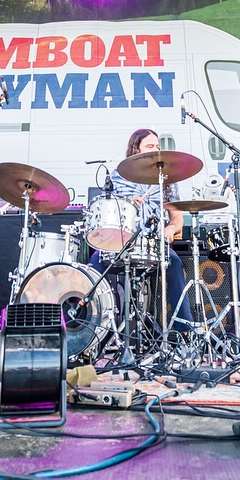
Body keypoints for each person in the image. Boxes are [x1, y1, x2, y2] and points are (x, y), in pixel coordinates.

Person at [91, 128, 195, 333]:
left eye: (157, 147)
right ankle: (95, 329)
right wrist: (127, 205)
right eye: (150, 146)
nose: (155, 150)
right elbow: (109, 214)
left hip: (154, 244)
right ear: (135, 149)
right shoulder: (118, 177)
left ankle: (185, 334)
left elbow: (177, 220)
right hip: (121, 243)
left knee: (174, 263)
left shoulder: (166, 180)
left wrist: (169, 229)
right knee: (95, 263)